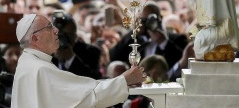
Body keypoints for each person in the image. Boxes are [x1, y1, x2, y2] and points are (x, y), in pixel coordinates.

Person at [11, 14, 145, 108]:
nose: (56, 30)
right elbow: (87, 97)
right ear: (35, 39)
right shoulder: (40, 69)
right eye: (49, 27)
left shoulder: (28, 63)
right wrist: (124, 80)